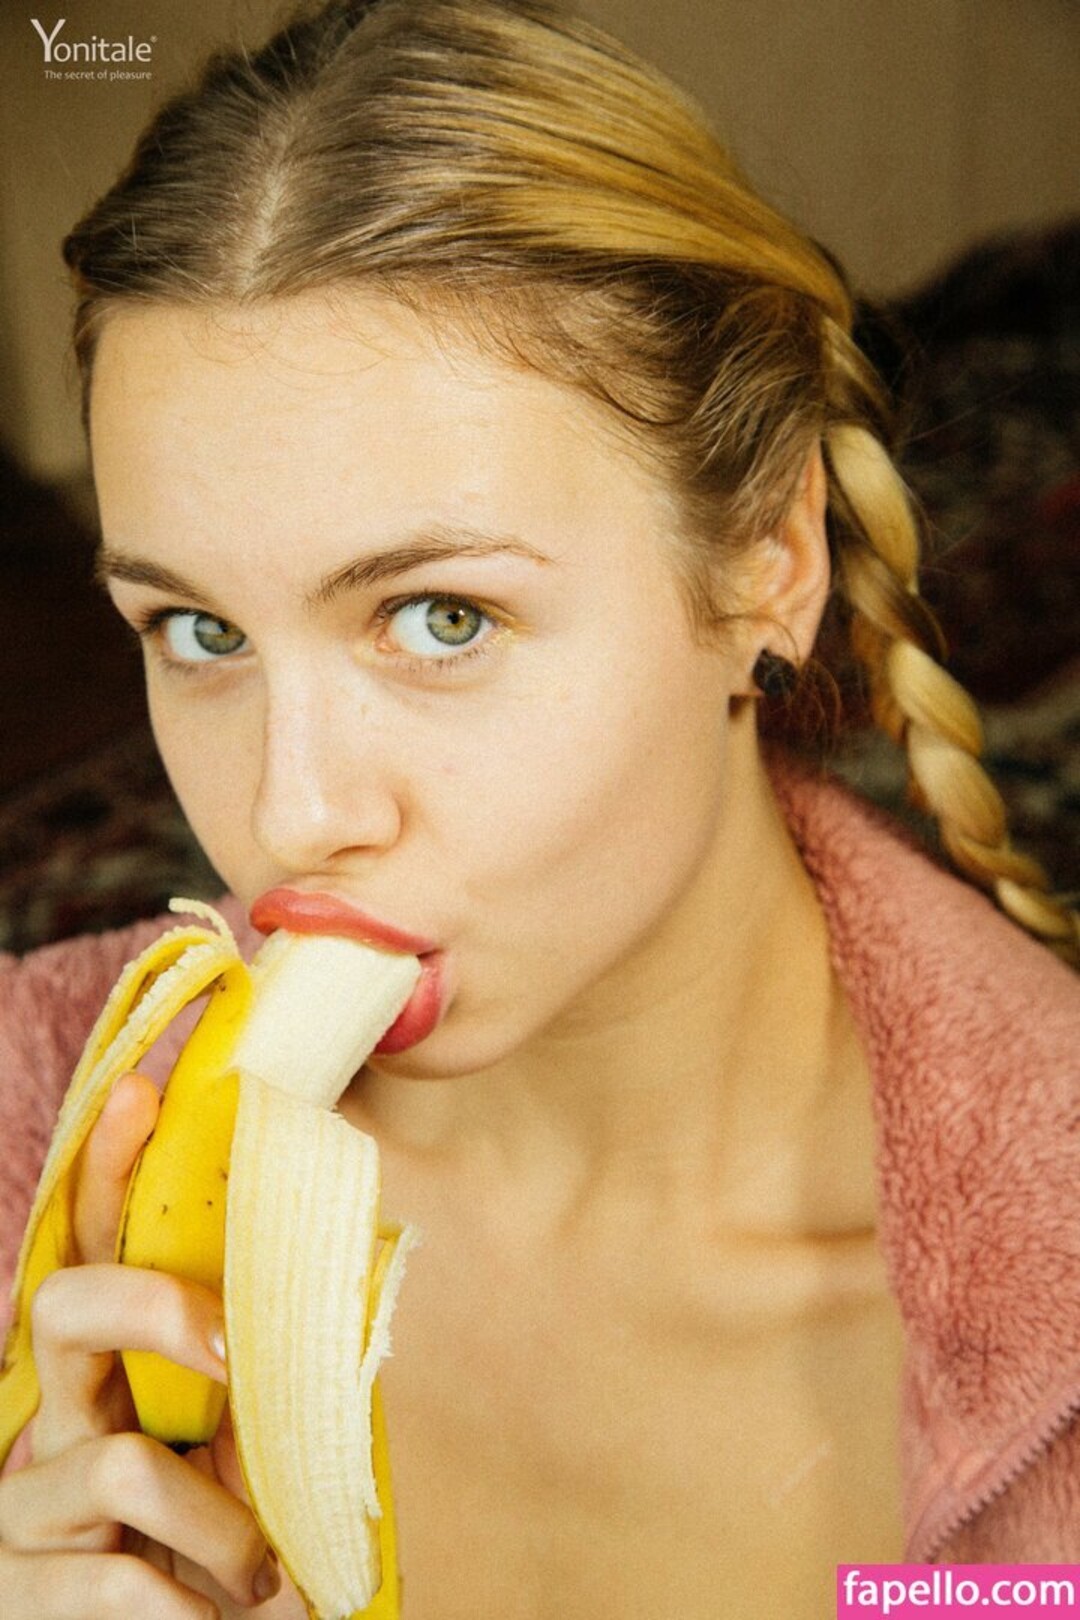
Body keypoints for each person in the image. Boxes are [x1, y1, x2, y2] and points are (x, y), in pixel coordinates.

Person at [1, 0, 1078, 1614]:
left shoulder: (1047, 1345)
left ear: (771, 565)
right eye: (200, 633)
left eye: (442, 617)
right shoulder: (35, 1145)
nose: (293, 814)